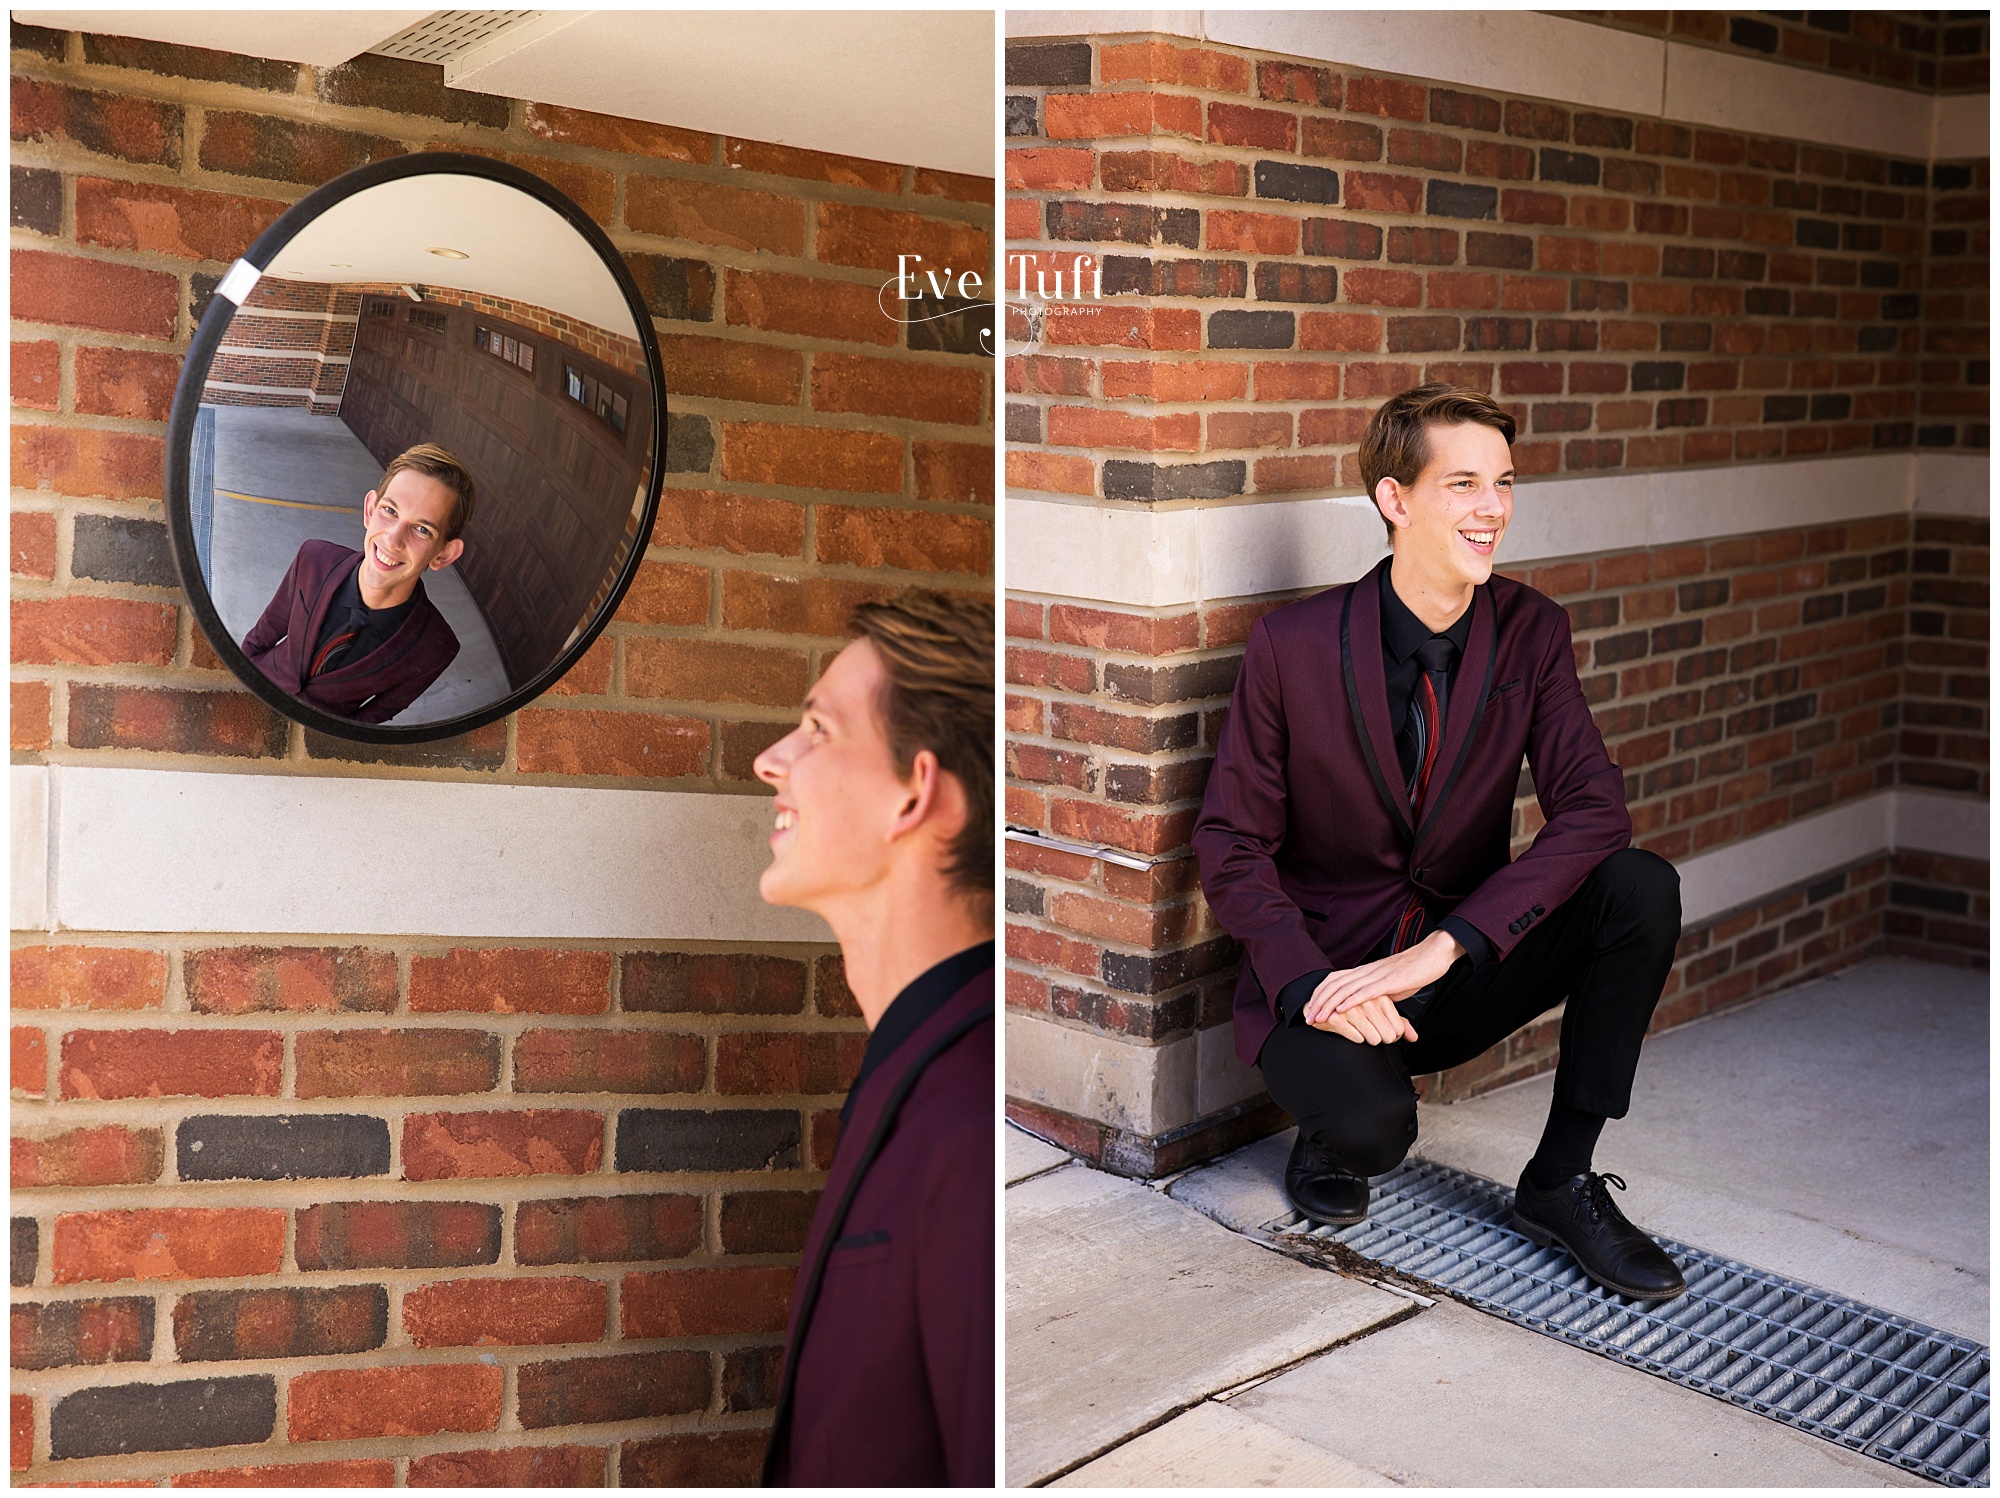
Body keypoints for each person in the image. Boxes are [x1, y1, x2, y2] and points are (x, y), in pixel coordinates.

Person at [1192, 383, 1687, 1301]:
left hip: (1458, 961)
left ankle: (1561, 1180)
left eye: (1502, 483)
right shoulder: (1291, 646)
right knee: (1377, 1132)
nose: (1491, 509)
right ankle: (1336, 1122)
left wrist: (1445, 947)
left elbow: (1594, 811)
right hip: (1330, 978)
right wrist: (1308, 985)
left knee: (1639, 886)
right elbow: (1229, 842)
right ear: (1395, 500)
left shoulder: (1532, 631)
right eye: (1462, 484)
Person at [754, 589, 995, 1486]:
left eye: (817, 728)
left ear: (915, 793)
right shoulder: (912, 1069)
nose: (770, 759)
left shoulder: (968, 1125)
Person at [240, 443, 471, 724]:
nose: (392, 539)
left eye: (422, 529)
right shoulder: (313, 559)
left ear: (443, 554)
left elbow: (371, 720)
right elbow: (259, 639)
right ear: (370, 509)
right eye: (389, 511)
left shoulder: (436, 648)